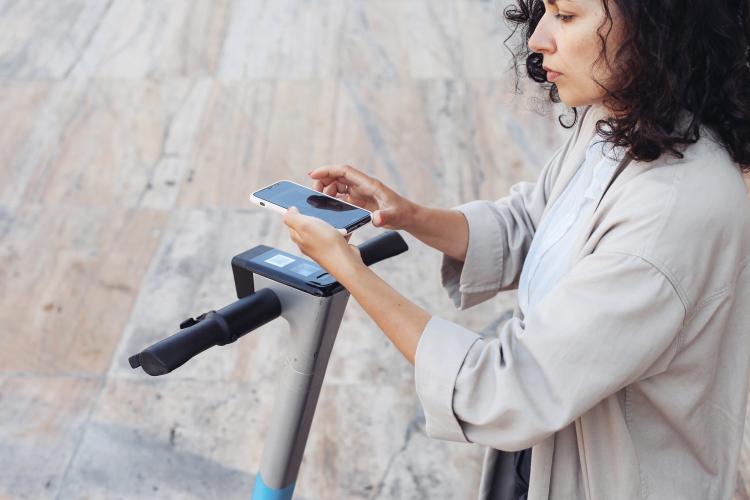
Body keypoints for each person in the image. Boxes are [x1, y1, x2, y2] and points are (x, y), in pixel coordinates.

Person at [282, 0, 750, 498]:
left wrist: (348, 270)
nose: (536, 38)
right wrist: (407, 214)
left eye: (566, 16)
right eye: (544, 10)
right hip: (540, 457)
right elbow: (535, 222)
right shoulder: (623, 120)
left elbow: (504, 391)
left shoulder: (671, 216)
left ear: (655, 29)